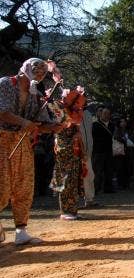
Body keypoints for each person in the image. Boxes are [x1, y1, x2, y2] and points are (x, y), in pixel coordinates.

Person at [0, 58, 62, 245]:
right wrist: (23, 122)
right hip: (2, 139)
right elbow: (1, 111)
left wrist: (52, 128)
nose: (40, 76)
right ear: (26, 70)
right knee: (2, 184)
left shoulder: (35, 93)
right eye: (37, 73)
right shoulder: (5, 84)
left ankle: (21, 230)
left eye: (43, 74)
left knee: (24, 184)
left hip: (22, 142)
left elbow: (39, 124)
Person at [50, 86, 87, 220]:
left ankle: (73, 210)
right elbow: (64, 124)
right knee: (66, 179)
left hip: (74, 148)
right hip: (64, 148)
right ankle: (66, 211)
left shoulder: (73, 110)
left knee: (74, 179)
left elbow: (75, 123)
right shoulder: (57, 107)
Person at [92, 107, 115, 193]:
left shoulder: (112, 125)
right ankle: (96, 188)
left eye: (108, 114)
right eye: (104, 113)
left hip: (109, 150)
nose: (106, 115)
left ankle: (108, 188)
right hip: (98, 151)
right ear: (101, 114)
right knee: (98, 170)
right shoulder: (95, 125)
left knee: (109, 170)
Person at [113, 118, 130, 189]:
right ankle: (120, 184)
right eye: (122, 122)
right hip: (119, 151)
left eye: (125, 122)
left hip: (126, 151)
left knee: (126, 167)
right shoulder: (117, 130)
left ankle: (125, 183)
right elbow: (117, 138)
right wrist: (124, 140)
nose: (124, 123)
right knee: (120, 168)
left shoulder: (126, 130)